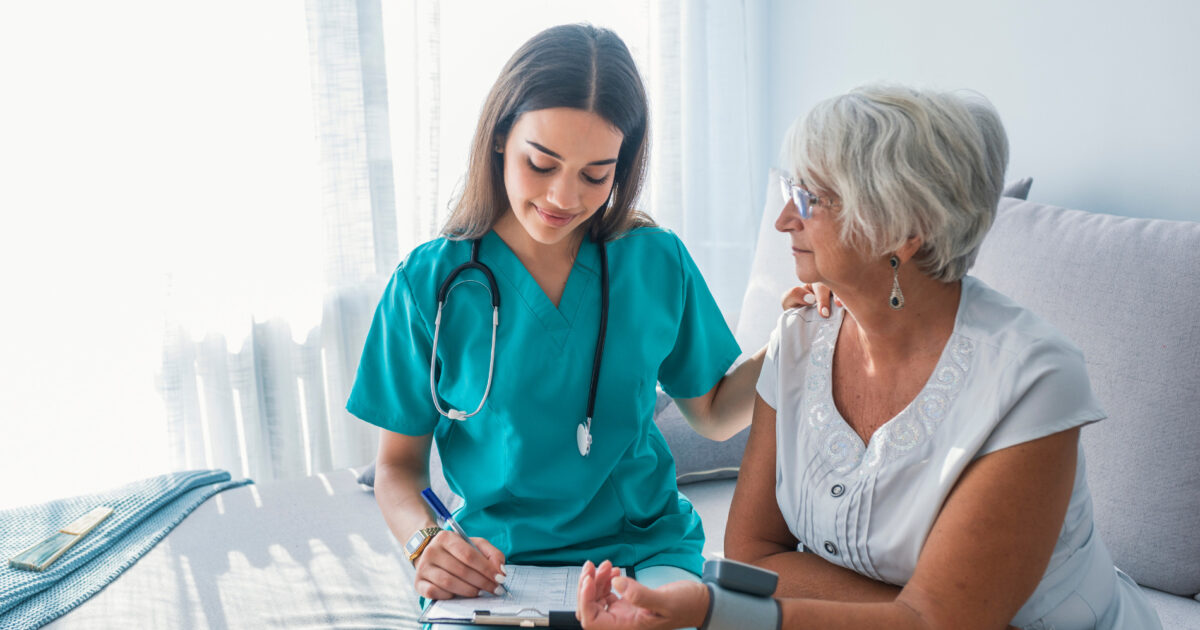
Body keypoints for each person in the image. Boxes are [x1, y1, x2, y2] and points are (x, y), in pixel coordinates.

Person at [576, 85, 1163, 630]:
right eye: (790, 194)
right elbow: (755, 555)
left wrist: (714, 608)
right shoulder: (802, 337)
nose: (784, 219)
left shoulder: (1032, 379)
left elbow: (930, 621)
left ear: (905, 230)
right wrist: (926, 609)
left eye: (811, 199)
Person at [345, 23, 789, 621]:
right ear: (501, 137)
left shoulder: (653, 262)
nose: (563, 197)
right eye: (541, 163)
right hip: (493, 564)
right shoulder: (428, 285)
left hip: (640, 551)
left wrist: (790, 344)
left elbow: (712, 412)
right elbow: (398, 469)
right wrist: (427, 544)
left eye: (594, 174)